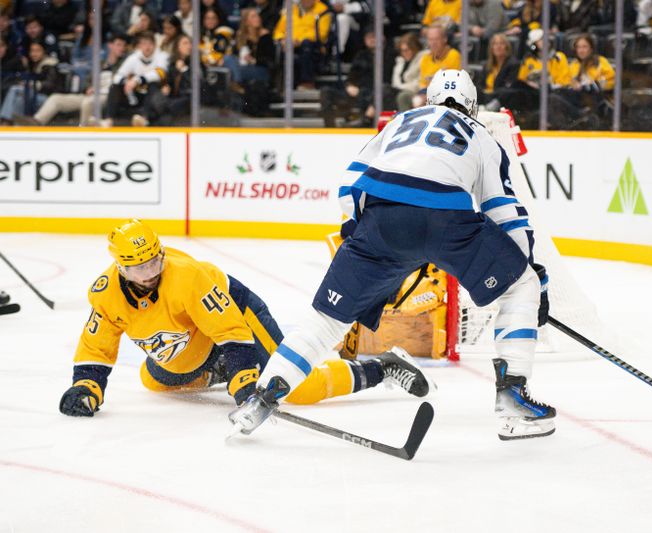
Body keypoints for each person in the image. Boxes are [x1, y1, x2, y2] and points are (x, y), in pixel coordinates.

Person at [230, 69, 554, 441]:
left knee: (328, 318)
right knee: (521, 286)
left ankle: (262, 397)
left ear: (430, 99)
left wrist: (359, 235)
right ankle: (513, 398)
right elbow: (504, 211)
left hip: (381, 220)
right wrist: (530, 275)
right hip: (447, 218)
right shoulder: (481, 136)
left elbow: (350, 183)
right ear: (473, 105)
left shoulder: (401, 121)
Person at [59, 219, 433, 418]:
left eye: (154, 260)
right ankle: (221, 370)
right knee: (153, 380)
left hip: (237, 315)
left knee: (298, 390)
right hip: (196, 343)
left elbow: (231, 330)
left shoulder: (187, 276)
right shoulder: (105, 293)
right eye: (139, 267)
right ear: (121, 267)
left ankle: (382, 367)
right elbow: (96, 344)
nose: (150, 272)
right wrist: (87, 388)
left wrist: (244, 379)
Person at [14, 33, 128, 126]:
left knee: (87, 102)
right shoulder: (100, 63)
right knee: (56, 98)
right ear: (110, 45)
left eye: (123, 45)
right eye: (119, 45)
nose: (122, 48)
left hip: (107, 96)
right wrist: (87, 88)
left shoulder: (126, 63)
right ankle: (37, 122)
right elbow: (87, 81)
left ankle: (83, 134)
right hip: (91, 94)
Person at [102, 31, 167, 127]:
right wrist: (127, 82)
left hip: (155, 95)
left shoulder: (162, 56)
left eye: (150, 43)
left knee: (152, 84)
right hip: (135, 94)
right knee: (114, 86)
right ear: (139, 45)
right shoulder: (134, 57)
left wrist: (137, 80)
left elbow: (160, 74)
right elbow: (117, 76)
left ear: (155, 45)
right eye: (144, 43)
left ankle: (144, 119)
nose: (147, 47)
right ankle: (108, 120)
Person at [391, 32, 424, 112]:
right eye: (402, 51)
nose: (404, 53)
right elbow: (394, 82)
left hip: (414, 92)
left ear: (414, 48)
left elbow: (418, 83)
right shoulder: (400, 61)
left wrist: (400, 88)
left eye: (407, 50)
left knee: (401, 96)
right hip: (399, 90)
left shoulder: (422, 59)